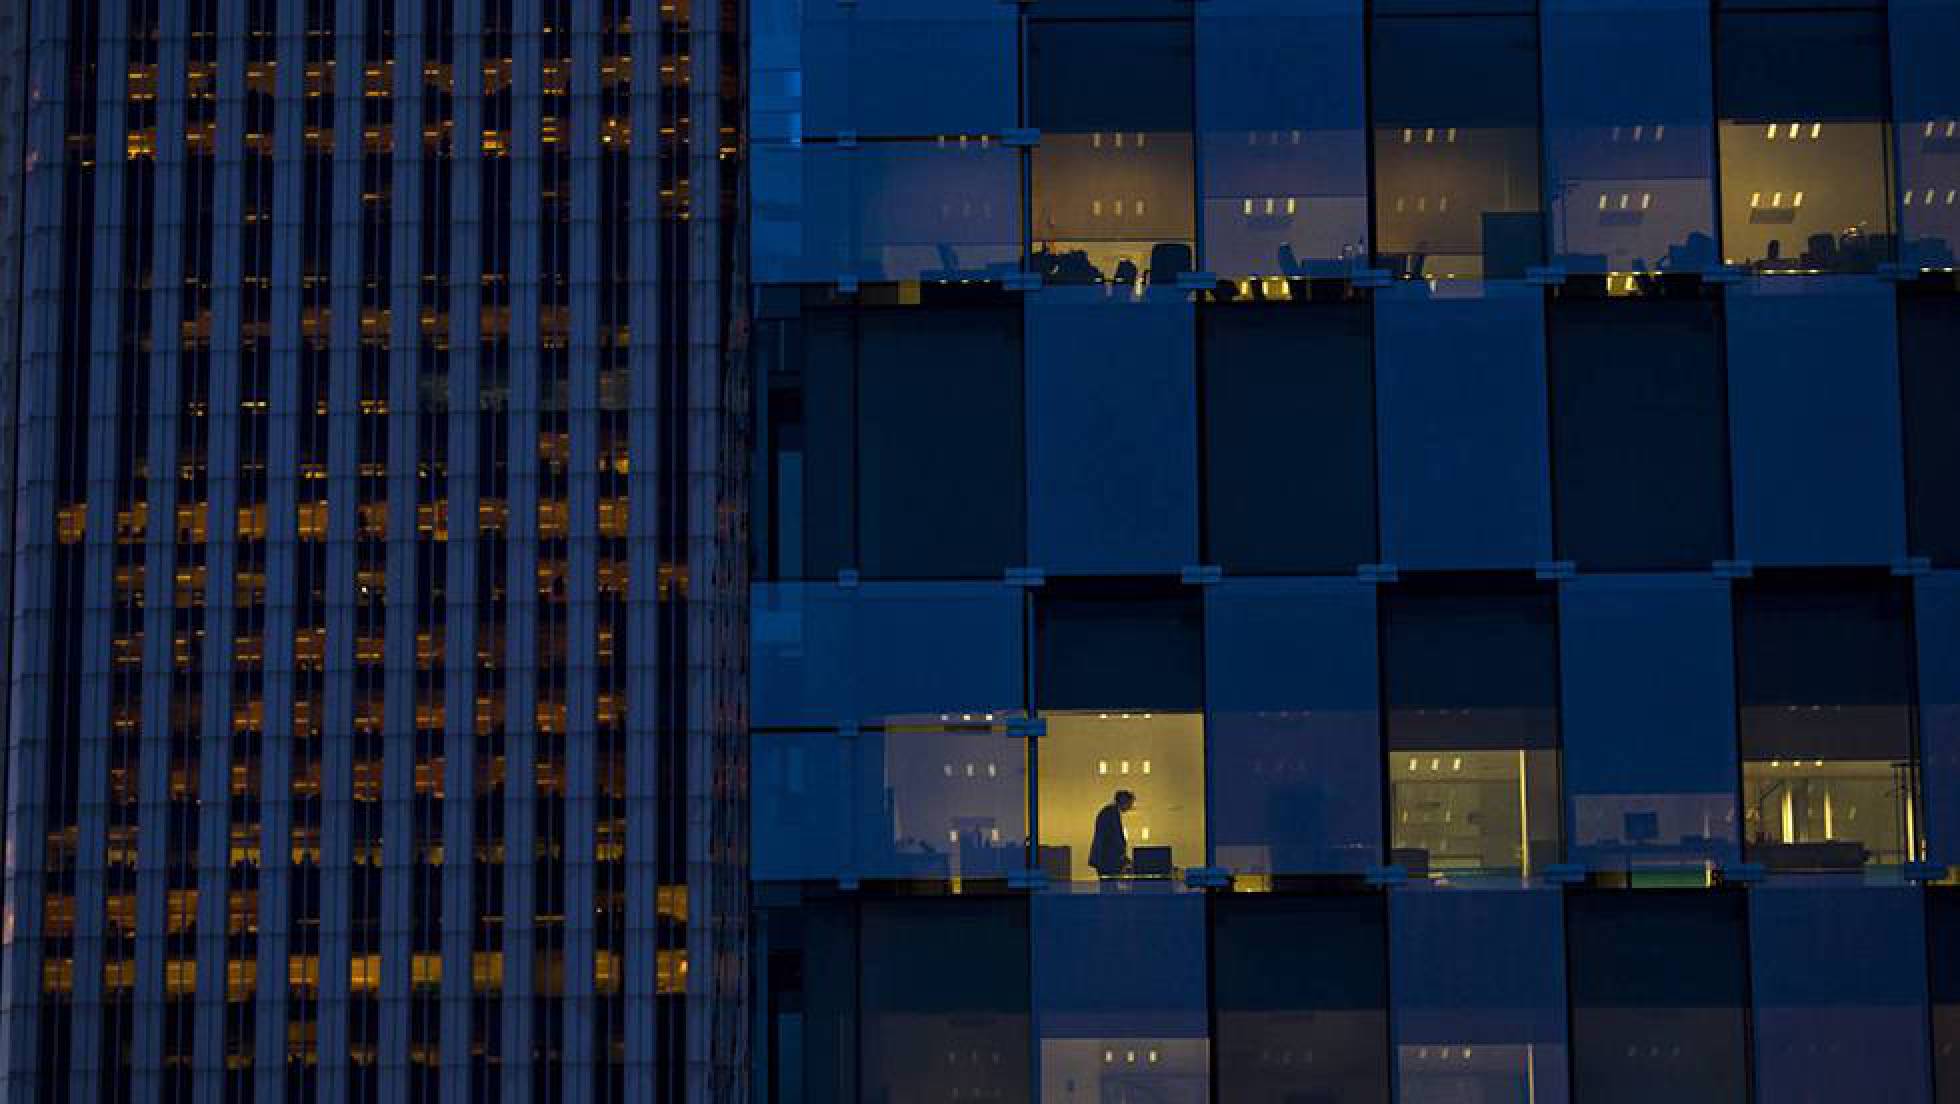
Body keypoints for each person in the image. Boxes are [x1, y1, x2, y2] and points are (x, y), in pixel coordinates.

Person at [1089, 790, 1135, 880]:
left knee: (1107, 887)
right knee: (1109, 886)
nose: (1130, 806)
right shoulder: (1112, 813)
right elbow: (1114, 837)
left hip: (1105, 858)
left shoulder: (1109, 812)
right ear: (1123, 801)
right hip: (1107, 859)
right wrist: (1122, 856)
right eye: (1130, 803)